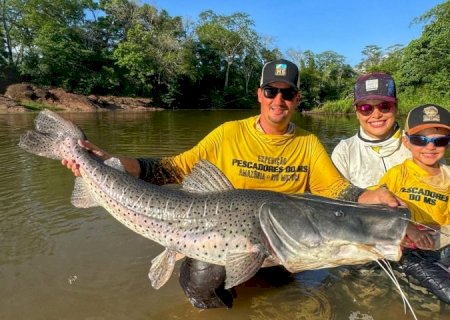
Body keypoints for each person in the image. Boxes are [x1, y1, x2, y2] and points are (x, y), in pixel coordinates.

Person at [62, 59, 400, 309]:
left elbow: (334, 190)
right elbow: (171, 169)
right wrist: (108, 163)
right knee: (204, 277)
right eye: (271, 91)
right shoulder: (228, 134)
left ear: (297, 99)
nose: (278, 100)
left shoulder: (309, 143)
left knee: (282, 292)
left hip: (277, 240)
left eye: (287, 94)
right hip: (213, 229)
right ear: (260, 94)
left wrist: (369, 197)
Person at [375, 104, 450, 304]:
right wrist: (408, 228)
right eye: (420, 140)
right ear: (406, 142)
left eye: (440, 140)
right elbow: (378, 210)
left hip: (440, 247)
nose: (430, 147)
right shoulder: (397, 174)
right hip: (407, 251)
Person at [332, 72, 411, 189]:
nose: (376, 115)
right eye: (365, 108)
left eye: (384, 106)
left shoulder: (419, 143)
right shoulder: (344, 151)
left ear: (396, 106)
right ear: (356, 112)